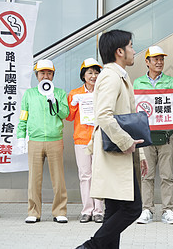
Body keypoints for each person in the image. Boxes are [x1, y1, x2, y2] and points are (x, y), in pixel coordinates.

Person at [76, 30, 148, 249]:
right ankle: (89, 247)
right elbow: (104, 115)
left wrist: (140, 153)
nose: (134, 50)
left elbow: (130, 120)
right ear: (119, 51)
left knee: (114, 211)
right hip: (115, 153)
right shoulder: (110, 76)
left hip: (119, 152)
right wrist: (127, 143)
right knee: (132, 209)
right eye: (131, 46)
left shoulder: (119, 76)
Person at [133, 45, 173, 225]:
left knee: (167, 175)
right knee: (146, 175)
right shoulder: (138, 83)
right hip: (145, 137)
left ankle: (167, 210)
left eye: (161, 59)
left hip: (166, 136)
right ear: (147, 62)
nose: (159, 62)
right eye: (155, 59)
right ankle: (147, 209)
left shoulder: (171, 82)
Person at [17, 59, 70, 224]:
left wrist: (54, 100)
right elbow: (23, 117)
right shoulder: (29, 94)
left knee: (58, 178)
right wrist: (20, 135)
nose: (45, 76)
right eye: (42, 73)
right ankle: (33, 212)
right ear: (37, 75)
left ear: (53, 75)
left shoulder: (60, 93)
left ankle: (60, 211)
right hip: (35, 140)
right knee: (34, 178)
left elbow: (65, 114)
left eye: (49, 73)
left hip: (55, 140)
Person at [67, 58, 104, 223]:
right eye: (90, 72)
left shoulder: (103, 91)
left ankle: (99, 210)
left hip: (100, 137)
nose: (94, 76)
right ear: (83, 75)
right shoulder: (75, 93)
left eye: (96, 72)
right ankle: (87, 210)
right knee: (85, 175)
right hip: (82, 138)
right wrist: (74, 104)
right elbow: (68, 117)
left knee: (99, 174)